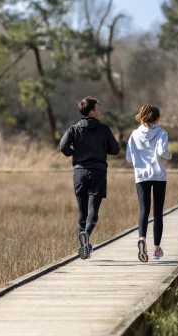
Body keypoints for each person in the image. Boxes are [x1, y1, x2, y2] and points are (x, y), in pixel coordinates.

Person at [60, 97, 120, 259]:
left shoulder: (73, 129)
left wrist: (74, 152)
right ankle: (86, 234)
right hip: (98, 172)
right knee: (93, 210)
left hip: (79, 172)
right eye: (98, 109)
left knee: (82, 210)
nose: (100, 112)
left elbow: (63, 147)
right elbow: (115, 150)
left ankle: (83, 245)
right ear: (92, 112)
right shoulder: (104, 129)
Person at [126, 104, 172, 263]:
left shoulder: (134, 134)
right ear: (157, 119)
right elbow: (162, 152)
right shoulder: (162, 133)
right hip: (158, 175)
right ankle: (157, 249)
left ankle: (142, 238)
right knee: (158, 212)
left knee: (144, 210)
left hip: (141, 176)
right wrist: (169, 155)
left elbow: (128, 157)